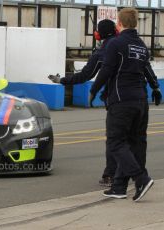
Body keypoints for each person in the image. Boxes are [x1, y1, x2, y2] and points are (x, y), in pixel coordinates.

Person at [90, 8, 162, 202]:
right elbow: (147, 70)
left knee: (116, 141)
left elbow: (106, 70)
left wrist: (93, 90)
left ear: (119, 24)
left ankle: (141, 179)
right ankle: (119, 187)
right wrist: (156, 88)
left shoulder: (116, 43)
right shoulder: (141, 45)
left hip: (122, 101)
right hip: (141, 101)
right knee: (136, 143)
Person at [49, 19, 118, 187]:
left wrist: (63, 80)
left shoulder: (103, 52)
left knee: (115, 140)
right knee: (134, 141)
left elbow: (85, 75)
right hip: (138, 98)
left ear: (98, 34)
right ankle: (135, 175)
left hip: (117, 100)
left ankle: (112, 176)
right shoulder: (129, 44)